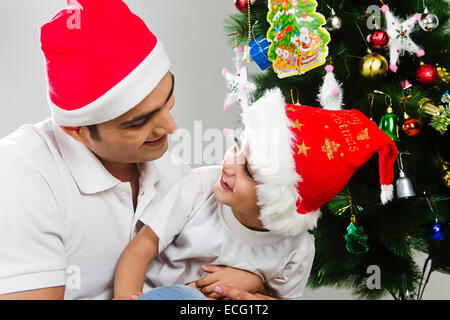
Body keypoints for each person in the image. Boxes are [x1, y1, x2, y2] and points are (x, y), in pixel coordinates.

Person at [0, 0, 262, 300]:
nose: (171, 128)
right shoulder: (20, 175)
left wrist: (251, 285)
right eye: (138, 122)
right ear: (77, 130)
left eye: (168, 97)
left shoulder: (172, 172)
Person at [113, 87, 398, 300]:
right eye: (237, 144)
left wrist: (254, 285)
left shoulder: (297, 248)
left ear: (280, 202)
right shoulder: (199, 187)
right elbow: (140, 249)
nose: (229, 163)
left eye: (248, 170)